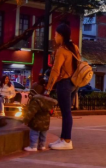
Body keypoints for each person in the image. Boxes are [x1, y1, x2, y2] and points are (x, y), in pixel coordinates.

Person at [44, 23, 81, 151]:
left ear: (61, 35)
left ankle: (67, 140)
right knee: (67, 112)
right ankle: (63, 138)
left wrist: (48, 88)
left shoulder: (62, 50)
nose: (54, 36)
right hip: (74, 83)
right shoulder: (74, 48)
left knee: (66, 113)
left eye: (55, 34)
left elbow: (55, 70)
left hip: (64, 83)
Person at [23, 79, 58, 152]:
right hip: (46, 122)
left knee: (34, 134)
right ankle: (42, 146)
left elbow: (31, 112)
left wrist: (25, 120)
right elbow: (51, 112)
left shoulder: (36, 101)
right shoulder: (48, 101)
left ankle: (33, 146)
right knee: (43, 135)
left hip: (36, 122)